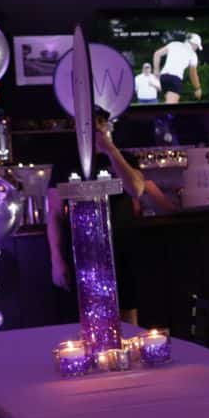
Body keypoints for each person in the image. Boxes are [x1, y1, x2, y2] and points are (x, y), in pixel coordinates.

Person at [48, 109, 175, 298]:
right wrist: (57, 260)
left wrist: (111, 151)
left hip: (122, 252)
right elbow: (55, 214)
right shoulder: (65, 164)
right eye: (90, 122)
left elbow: (137, 189)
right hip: (81, 254)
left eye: (100, 121)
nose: (96, 126)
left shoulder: (126, 159)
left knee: (128, 317)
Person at [154, 31, 202, 103]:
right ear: (194, 44)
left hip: (163, 77)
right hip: (175, 79)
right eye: (197, 47)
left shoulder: (174, 44)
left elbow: (157, 54)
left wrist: (156, 71)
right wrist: (197, 88)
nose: (196, 49)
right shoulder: (193, 54)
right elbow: (193, 74)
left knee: (169, 101)